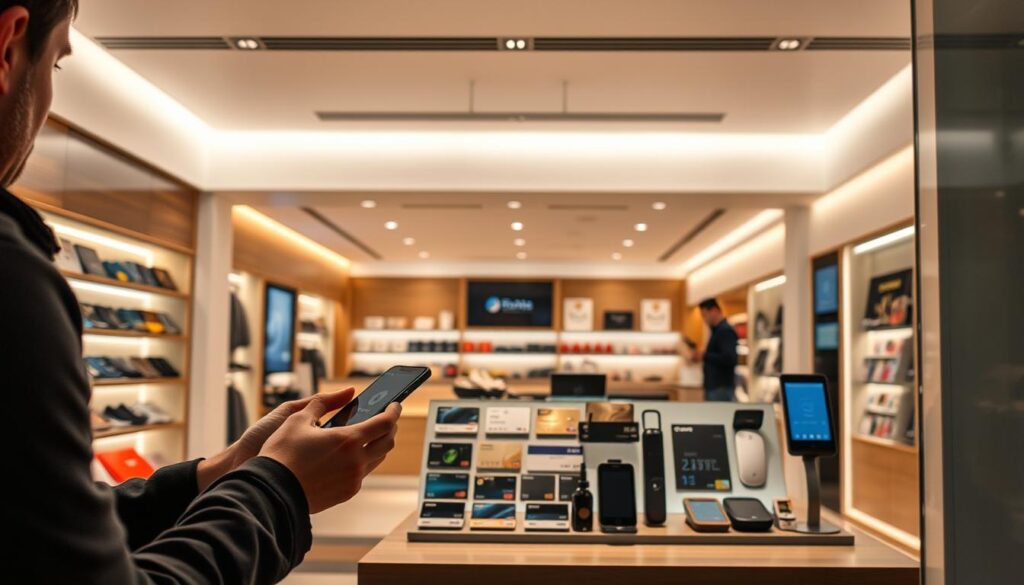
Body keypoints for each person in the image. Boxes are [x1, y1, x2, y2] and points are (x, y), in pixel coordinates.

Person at [0, 2, 401, 582]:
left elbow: (35, 534)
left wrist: (227, 468)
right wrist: (281, 486)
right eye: (56, 65)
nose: (47, 97)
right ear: (10, 44)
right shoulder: (14, 282)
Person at [693, 298, 738, 402]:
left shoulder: (725, 331)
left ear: (714, 311)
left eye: (705, 315)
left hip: (720, 388)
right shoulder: (717, 331)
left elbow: (729, 358)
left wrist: (704, 355)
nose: (704, 319)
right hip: (716, 388)